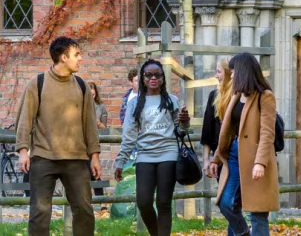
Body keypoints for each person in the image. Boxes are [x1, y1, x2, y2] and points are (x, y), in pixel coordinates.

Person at [15, 36, 101, 236]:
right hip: (44, 158)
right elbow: (24, 119)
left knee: (85, 211)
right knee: (39, 212)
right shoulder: (37, 83)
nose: (80, 58)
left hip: (77, 159)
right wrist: (22, 150)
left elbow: (90, 124)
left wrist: (94, 155)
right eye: (77, 55)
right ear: (63, 57)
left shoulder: (82, 86)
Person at [114, 59, 190, 236]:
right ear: (142, 78)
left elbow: (181, 132)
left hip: (168, 154)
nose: (153, 78)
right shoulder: (135, 103)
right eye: (149, 75)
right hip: (145, 156)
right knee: (144, 202)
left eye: (157, 75)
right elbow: (129, 134)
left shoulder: (171, 100)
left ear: (163, 78)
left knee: (164, 202)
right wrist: (120, 161)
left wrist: (184, 123)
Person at [209, 53, 279, 236]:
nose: (231, 76)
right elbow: (228, 131)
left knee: (258, 213)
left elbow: (267, 133)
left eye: (233, 72)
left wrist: (260, 163)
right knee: (225, 203)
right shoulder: (236, 95)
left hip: (256, 157)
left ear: (244, 72)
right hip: (233, 155)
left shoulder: (265, 97)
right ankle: (243, 233)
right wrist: (216, 159)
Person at [201, 58, 233, 176]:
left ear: (228, 73)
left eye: (219, 72)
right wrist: (206, 160)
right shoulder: (214, 96)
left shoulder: (240, 96)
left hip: (237, 153)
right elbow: (208, 130)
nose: (216, 75)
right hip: (218, 156)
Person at [88, 82, 108, 210]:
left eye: (94, 92)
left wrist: (98, 123)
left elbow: (105, 128)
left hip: (94, 142)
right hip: (82, 143)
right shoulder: (80, 106)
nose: (92, 93)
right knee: (90, 172)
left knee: (94, 172)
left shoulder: (101, 107)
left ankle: (101, 201)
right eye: (90, 92)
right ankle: (98, 201)